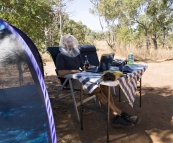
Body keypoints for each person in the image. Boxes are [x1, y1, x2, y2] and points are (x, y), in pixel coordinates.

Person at [56, 34, 141, 128]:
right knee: (96, 89)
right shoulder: (61, 55)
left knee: (105, 84)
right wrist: (73, 71)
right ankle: (122, 114)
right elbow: (60, 73)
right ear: (63, 43)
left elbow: (83, 66)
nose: (70, 43)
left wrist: (91, 67)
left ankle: (116, 116)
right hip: (72, 80)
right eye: (68, 42)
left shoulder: (76, 53)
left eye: (71, 41)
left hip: (82, 77)